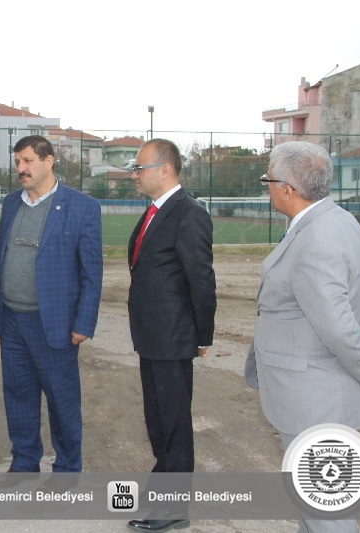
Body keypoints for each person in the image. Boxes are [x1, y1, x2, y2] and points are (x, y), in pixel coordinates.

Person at [245, 141, 360, 533]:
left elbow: (336, 321)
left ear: (287, 190)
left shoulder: (315, 240)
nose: (267, 187)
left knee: (325, 508)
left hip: (311, 396)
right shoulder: (340, 221)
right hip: (318, 391)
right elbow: (356, 295)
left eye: (268, 180)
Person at [0, 135, 103, 474]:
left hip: (53, 322)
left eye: (28, 161)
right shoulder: (12, 203)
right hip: (12, 320)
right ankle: (24, 461)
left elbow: (91, 272)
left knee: (62, 399)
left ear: (49, 161)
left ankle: (68, 468)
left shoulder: (81, 207)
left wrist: (83, 323)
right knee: (18, 395)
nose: (21, 168)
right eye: (17, 162)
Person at [126, 139, 217, 533]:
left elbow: (201, 280)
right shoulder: (155, 211)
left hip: (173, 338)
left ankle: (174, 507)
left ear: (164, 170)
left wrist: (202, 336)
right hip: (152, 337)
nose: (135, 174)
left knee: (173, 423)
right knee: (159, 421)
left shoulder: (189, 214)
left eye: (140, 167)